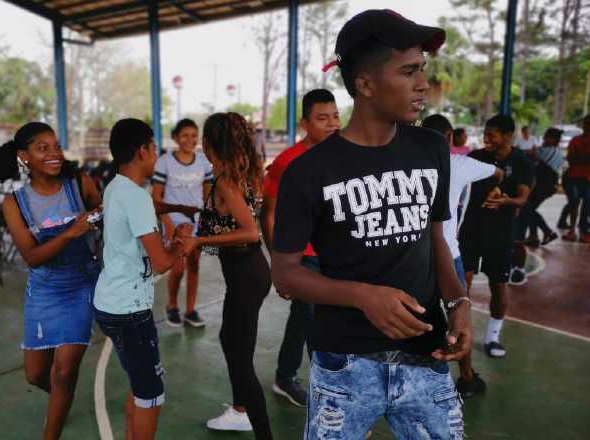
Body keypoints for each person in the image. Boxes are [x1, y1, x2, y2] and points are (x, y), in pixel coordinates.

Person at [270, 10, 472, 439]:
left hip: (426, 355)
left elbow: (434, 238)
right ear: (365, 84)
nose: (422, 83)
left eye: (423, 69)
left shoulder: (431, 148)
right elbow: (285, 274)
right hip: (345, 366)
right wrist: (362, 296)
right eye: (408, 71)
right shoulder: (308, 172)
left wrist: (459, 304)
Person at [0, 122, 102, 440]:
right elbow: (32, 257)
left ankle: (55, 420)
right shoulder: (14, 203)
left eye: (56, 146)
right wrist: (72, 230)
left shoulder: (80, 184)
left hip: (83, 282)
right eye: (43, 148)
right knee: (35, 375)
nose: (54, 153)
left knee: (64, 370)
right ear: (23, 156)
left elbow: (104, 216)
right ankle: (64, 395)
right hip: (45, 287)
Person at [94, 118, 191, 440]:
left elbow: (142, 250)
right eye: (153, 149)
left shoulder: (116, 187)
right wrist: (182, 243)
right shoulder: (135, 196)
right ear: (142, 151)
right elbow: (162, 262)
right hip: (128, 310)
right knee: (151, 393)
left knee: (139, 384)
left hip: (112, 302)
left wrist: (171, 239)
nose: (156, 156)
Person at [178, 112, 273, 439]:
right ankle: (239, 410)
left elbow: (248, 232)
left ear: (207, 144)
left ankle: (260, 431)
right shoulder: (236, 174)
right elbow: (228, 229)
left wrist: (200, 240)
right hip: (247, 272)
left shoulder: (227, 181)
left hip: (247, 274)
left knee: (241, 360)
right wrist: (199, 237)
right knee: (229, 341)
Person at [260, 89, 340, 407]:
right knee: (312, 319)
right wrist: (278, 264)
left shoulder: (343, 152)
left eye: (335, 116)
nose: (332, 124)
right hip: (301, 253)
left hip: (334, 250)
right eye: (322, 119)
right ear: (304, 122)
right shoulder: (286, 162)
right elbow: (267, 213)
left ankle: (285, 376)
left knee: (315, 317)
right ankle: (328, 395)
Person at [422, 114, 504, 398]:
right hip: (449, 254)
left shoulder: (407, 163)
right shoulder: (460, 164)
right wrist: (496, 189)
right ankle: (467, 378)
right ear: (448, 139)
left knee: (417, 314)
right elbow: (498, 173)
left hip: (412, 256)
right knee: (460, 317)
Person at [459, 114, 533, 360]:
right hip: (471, 229)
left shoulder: (521, 162)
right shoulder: (476, 157)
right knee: (462, 283)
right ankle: (459, 331)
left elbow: (523, 197)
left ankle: (492, 336)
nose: (486, 139)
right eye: (485, 134)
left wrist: (505, 200)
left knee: (498, 286)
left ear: (507, 135)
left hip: (500, 233)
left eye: (492, 135)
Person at [152, 118, 212, 328]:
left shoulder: (203, 162)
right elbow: (156, 197)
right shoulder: (165, 161)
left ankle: (190, 310)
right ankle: (172, 306)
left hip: (196, 221)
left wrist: (207, 219)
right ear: (176, 137)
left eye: (194, 135)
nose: (190, 140)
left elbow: (207, 194)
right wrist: (168, 224)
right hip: (175, 221)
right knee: (178, 268)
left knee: (194, 265)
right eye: (185, 135)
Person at [521, 128, 564, 247]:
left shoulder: (549, 151)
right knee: (530, 209)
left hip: (544, 185)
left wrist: (532, 153)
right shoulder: (554, 151)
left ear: (554, 139)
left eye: (547, 137)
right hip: (546, 186)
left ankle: (547, 232)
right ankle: (533, 236)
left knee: (527, 208)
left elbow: (531, 155)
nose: (544, 139)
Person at [563, 114, 590, 243]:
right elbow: (570, 158)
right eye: (585, 123)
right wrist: (589, 157)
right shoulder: (575, 140)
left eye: (589, 123)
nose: (586, 126)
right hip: (575, 175)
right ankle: (572, 230)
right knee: (574, 202)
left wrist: (581, 157)